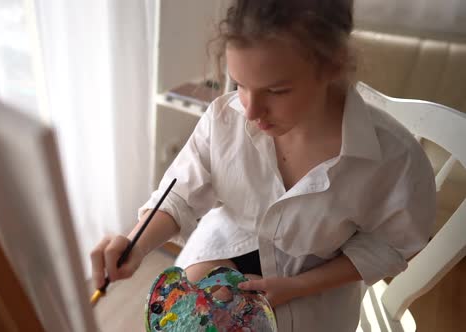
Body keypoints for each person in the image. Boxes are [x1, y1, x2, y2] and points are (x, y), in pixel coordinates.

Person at [90, 1, 436, 331]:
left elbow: (387, 246)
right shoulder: (224, 120)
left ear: (333, 64)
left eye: (277, 90)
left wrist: (296, 287)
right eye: (240, 85)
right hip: (222, 249)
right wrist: (135, 244)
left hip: (314, 284)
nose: (251, 112)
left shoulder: (394, 160)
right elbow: (179, 195)